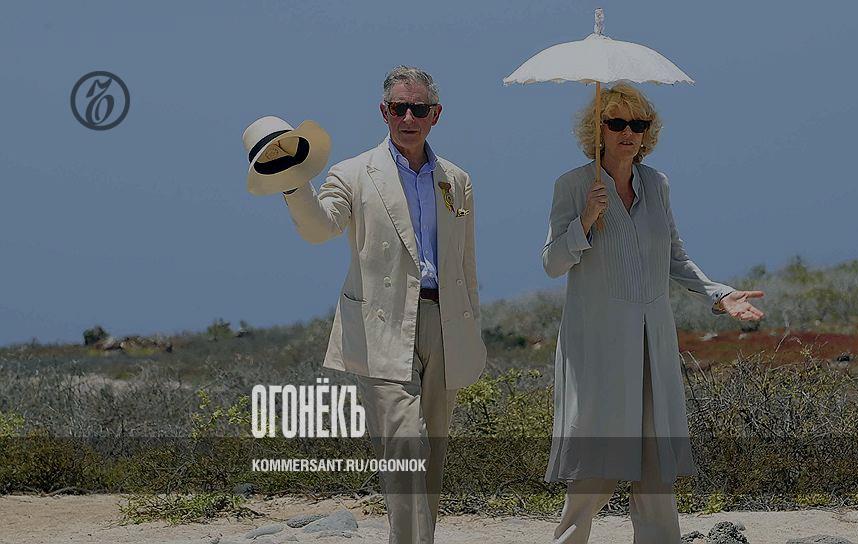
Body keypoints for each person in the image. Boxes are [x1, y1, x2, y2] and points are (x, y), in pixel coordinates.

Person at [541, 83, 765, 543]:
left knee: (654, 462)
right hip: (598, 345)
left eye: (638, 124)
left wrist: (720, 295)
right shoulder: (573, 185)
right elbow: (552, 263)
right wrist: (585, 220)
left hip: (652, 342)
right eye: (616, 122)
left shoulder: (657, 184)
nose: (628, 132)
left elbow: (676, 258)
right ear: (598, 130)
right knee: (596, 463)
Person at [280, 66, 486, 544]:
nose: (408, 118)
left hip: (445, 322)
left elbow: (465, 263)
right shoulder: (352, 173)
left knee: (432, 455)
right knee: (405, 448)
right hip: (382, 326)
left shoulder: (457, 180)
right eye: (399, 108)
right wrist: (292, 181)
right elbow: (319, 227)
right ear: (384, 112)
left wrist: (470, 328)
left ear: (436, 115)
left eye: (418, 109)